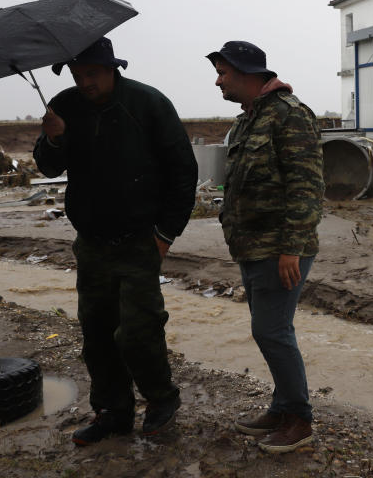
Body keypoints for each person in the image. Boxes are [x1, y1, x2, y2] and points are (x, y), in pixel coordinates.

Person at [34, 37, 198, 445]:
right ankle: (112, 412)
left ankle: (161, 400)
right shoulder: (65, 106)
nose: (84, 82)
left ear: (112, 69)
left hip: (140, 239)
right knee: (97, 333)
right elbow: (49, 166)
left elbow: (184, 171)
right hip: (91, 242)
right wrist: (54, 138)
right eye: (77, 75)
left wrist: (165, 233)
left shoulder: (148, 104)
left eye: (92, 74)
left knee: (138, 332)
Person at [207, 40, 324, 454]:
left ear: (247, 72)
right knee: (269, 331)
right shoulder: (245, 122)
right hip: (252, 246)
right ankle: (281, 406)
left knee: (271, 331)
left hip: (280, 247)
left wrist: (291, 247)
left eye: (223, 72)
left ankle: (299, 420)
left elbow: (306, 186)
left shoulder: (289, 116)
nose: (217, 80)